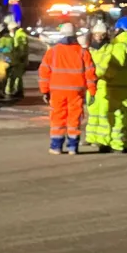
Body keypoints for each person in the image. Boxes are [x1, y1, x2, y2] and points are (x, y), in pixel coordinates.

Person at [38, 23, 98, 155]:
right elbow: (90, 73)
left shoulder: (52, 52)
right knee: (74, 118)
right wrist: (92, 91)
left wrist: (44, 91)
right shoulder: (83, 52)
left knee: (57, 118)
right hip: (76, 91)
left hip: (57, 91)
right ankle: (72, 147)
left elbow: (44, 72)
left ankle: (56, 147)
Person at [98, 16, 127, 153]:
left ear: (120, 29)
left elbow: (115, 65)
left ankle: (115, 144)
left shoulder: (120, 45)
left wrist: (102, 76)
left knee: (115, 115)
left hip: (116, 86)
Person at [83, 22, 113, 151]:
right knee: (93, 113)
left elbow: (104, 67)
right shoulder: (89, 49)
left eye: (102, 34)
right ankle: (91, 137)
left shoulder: (109, 48)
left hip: (104, 85)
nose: (99, 37)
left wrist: (92, 74)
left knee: (103, 114)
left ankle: (103, 140)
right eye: (96, 34)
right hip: (91, 85)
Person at [5, 17, 28, 98]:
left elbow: (21, 48)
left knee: (16, 76)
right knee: (18, 76)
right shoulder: (19, 34)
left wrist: (20, 57)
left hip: (19, 59)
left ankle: (17, 91)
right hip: (19, 59)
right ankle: (18, 91)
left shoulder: (19, 35)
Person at [0, 23, 13, 99]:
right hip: (1, 60)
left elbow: (8, 49)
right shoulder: (3, 39)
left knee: (3, 78)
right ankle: (0, 91)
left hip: (5, 60)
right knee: (0, 78)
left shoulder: (7, 39)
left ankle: (2, 92)